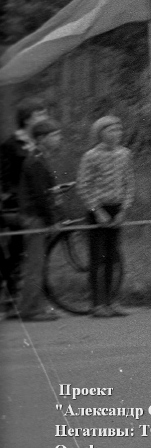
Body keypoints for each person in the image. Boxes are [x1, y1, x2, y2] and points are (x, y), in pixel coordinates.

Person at [77, 114, 134, 318]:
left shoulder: (125, 154)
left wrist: (123, 210)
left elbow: (129, 184)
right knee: (97, 258)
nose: (116, 134)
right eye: (111, 130)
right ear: (101, 133)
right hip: (97, 211)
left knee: (113, 257)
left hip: (116, 209)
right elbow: (83, 186)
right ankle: (97, 303)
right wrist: (97, 210)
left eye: (119, 130)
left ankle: (112, 300)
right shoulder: (91, 156)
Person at [1, 97, 49, 317]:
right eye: (40, 114)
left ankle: (26, 302)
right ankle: (11, 301)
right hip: (17, 205)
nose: (45, 118)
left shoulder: (39, 142)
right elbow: (6, 176)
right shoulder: (11, 144)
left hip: (33, 202)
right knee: (17, 253)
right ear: (27, 119)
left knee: (29, 254)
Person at [14, 120, 64, 321]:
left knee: (38, 264)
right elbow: (40, 196)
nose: (58, 139)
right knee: (35, 265)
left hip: (37, 216)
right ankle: (29, 309)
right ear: (41, 139)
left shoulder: (40, 157)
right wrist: (52, 219)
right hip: (34, 218)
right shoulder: (35, 160)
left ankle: (37, 306)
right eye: (54, 135)